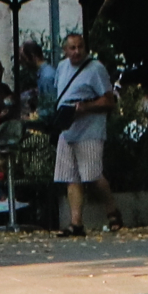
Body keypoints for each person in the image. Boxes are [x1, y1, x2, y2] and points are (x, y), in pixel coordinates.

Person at [49, 31, 114, 237]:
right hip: (67, 129)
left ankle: (113, 211)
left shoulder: (96, 69)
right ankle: (76, 223)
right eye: (72, 48)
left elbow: (108, 100)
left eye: (80, 47)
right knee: (71, 177)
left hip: (89, 128)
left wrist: (85, 107)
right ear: (65, 50)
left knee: (93, 175)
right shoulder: (61, 67)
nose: (77, 52)